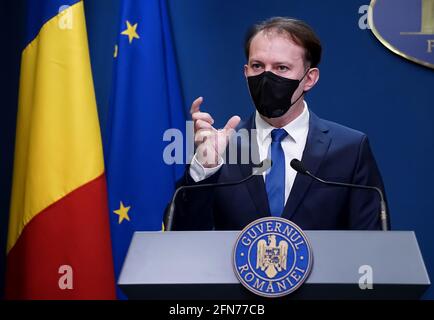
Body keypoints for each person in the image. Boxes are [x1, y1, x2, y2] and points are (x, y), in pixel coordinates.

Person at [169, 17, 388, 231]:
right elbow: (180, 235)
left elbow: (372, 244)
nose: (267, 77)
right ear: (246, 73)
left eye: (281, 68)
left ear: (309, 79)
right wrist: (204, 168)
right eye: (257, 66)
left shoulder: (349, 149)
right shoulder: (223, 148)